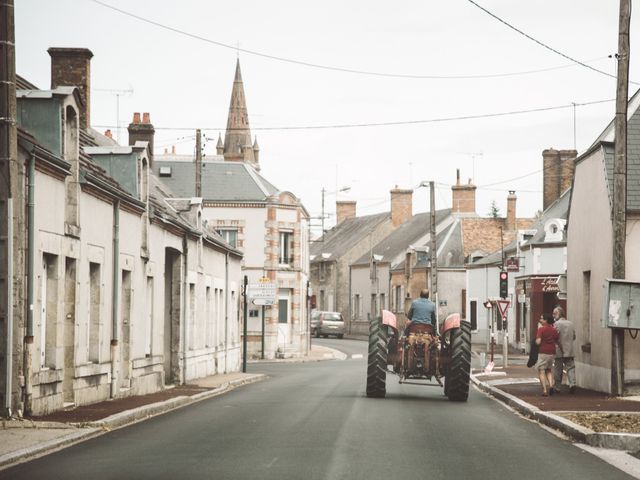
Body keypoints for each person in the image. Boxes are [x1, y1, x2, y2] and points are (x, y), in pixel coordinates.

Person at [552, 306, 577, 394]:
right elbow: (574, 336)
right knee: (570, 367)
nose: (553, 316)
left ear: (560, 314)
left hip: (559, 349)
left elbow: (554, 336)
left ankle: (557, 387)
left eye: (555, 314)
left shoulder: (556, 324)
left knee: (558, 369)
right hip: (569, 349)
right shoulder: (571, 324)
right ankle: (572, 384)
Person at [535, 314, 559, 396]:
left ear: (546, 321)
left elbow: (538, 342)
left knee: (541, 370)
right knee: (549, 370)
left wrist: (537, 341)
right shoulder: (554, 330)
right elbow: (557, 339)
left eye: (542, 319)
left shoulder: (541, 329)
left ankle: (545, 390)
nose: (540, 320)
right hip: (552, 352)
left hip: (543, 352)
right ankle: (551, 386)